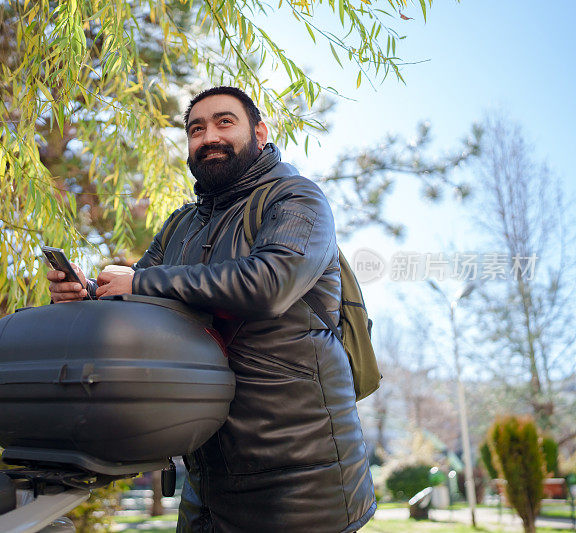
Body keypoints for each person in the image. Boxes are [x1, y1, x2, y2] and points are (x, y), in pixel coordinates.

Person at [48, 86, 376, 532]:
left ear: (259, 132)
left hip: (302, 480)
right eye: (196, 129)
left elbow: (269, 284)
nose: (208, 137)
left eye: (225, 122)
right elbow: (138, 309)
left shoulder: (297, 199)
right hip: (205, 480)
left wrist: (140, 280)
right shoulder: (181, 224)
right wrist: (89, 296)